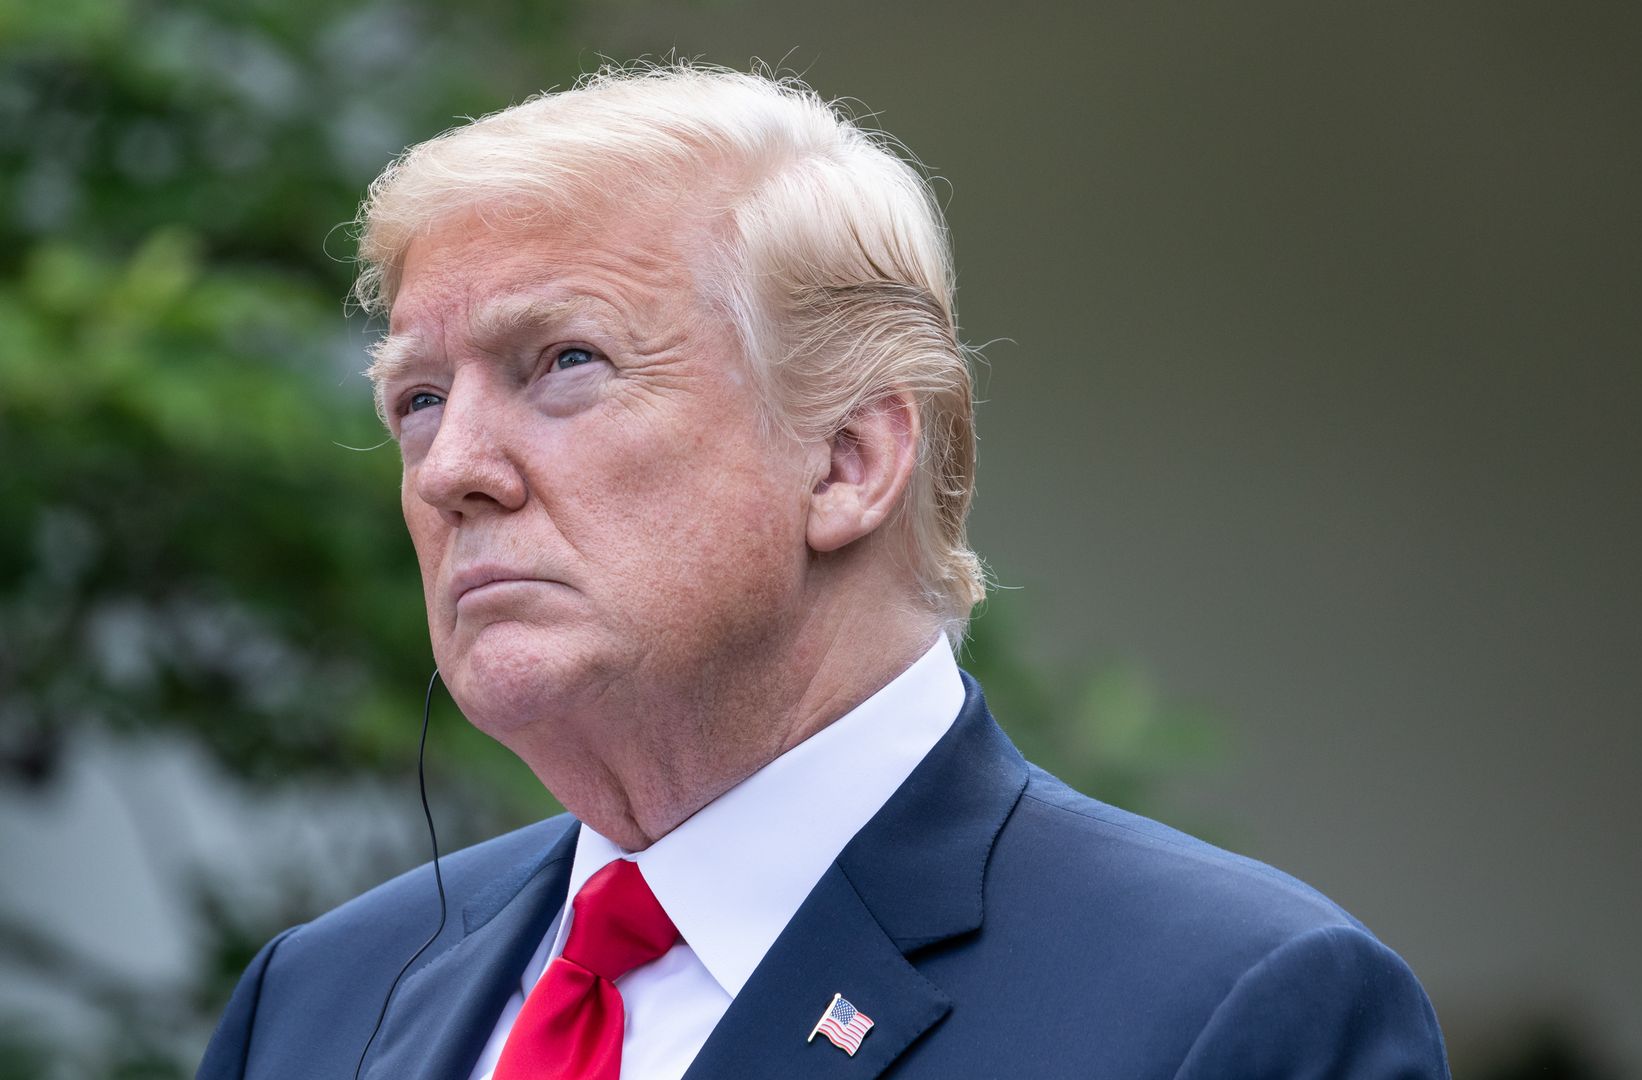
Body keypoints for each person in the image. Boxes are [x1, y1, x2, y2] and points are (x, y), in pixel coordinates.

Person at [198, 64, 1449, 1079]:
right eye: (418, 398)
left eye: (565, 362)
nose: (452, 469)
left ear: (849, 460)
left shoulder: (1227, 1011)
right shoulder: (314, 1006)